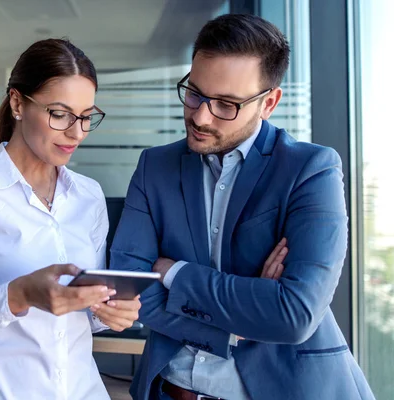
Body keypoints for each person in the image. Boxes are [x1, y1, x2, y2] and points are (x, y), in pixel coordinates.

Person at [110, 14, 375, 400]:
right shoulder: (156, 167)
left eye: (226, 104)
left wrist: (176, 273)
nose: (200, 115)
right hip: (171, 391)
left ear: (268, 103)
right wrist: (241, 319)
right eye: (195, 93)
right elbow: (129, 289)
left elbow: (294, 314)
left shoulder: (310, 170)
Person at [0, 38, 141, 400]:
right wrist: (18, 295)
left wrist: (110, 312)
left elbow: (86, 314)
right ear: (18, 102)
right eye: (60, 114)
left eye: (86, 116)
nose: (77, 132)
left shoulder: (88, 195)